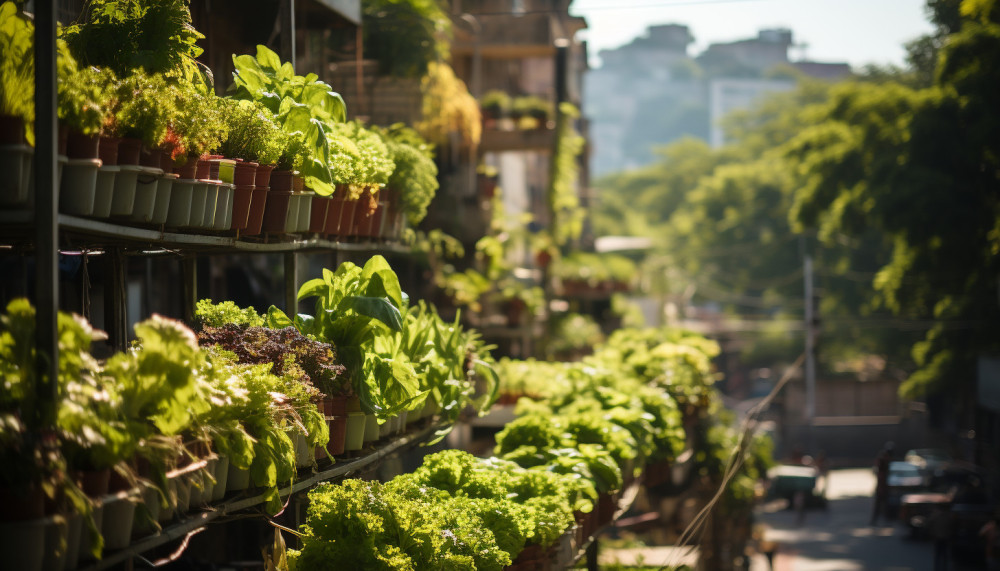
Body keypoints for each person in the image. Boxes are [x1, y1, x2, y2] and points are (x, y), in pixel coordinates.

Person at [870, 442, 893, 526]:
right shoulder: (883, 460)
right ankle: (876, 520)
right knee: (880, 505)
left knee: (882, 505)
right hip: (881, 488)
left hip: (882, 487)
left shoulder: (884, 460)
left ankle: (880, 520)